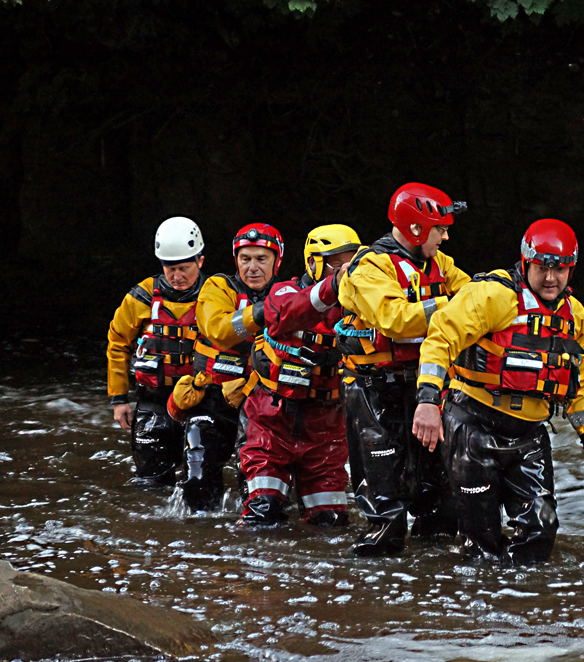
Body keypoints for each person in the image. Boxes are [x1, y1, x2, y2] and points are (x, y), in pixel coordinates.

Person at [412, 218, 584, 565]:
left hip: (528, 436)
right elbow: (440, 340)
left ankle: (520, 596)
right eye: (542, 268)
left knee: (540, 531)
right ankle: (477, 595)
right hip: (473, 426)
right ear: (526, 262)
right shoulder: (492, 295)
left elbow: (582, 384)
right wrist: (428, 401)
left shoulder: (576, 317)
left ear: (571, 269)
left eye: (560, 270)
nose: (551, 278)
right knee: (481, 544)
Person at [337, 182, 471, 556]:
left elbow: (474, 296)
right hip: (375, 390)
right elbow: (395, 320)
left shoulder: (440, 264)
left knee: (440, 498)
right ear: (415, 228)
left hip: (424, 385)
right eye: (439, 229)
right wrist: (452, 305)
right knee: (386, 505)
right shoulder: (370, 266)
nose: (445, 237)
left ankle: (431, 575)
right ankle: (373, 577)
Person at [239, 224, 361, 526]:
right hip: (272, 420)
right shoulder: (284, 292)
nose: (346, 271)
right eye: (337, 264)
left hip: (326, 425)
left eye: (351, 263)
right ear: (313, 262)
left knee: (331, 521)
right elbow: (288, 312)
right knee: (264, 512)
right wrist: (334, 285)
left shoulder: (358, 305)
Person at [170, 223, 284, 511]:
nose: (252, 267)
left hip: (261, 406)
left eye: (261, 259)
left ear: (277, 261)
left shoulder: (288, 294)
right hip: (211, 400)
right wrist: (266, 311)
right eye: (245, 259)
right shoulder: (218, 287)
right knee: (196, 478)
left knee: (258, 492)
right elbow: (219, 330)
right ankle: (199, 532)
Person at [107, 216, 206, 488]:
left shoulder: (217, 295)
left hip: (201, 399)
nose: (177, 277)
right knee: (150, 481)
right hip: (153, 398)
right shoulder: (140, 297)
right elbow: (118, 344)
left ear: (200, 261)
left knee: (200, 477)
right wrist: (119, 400)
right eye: (170, 269)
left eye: (184, 268)